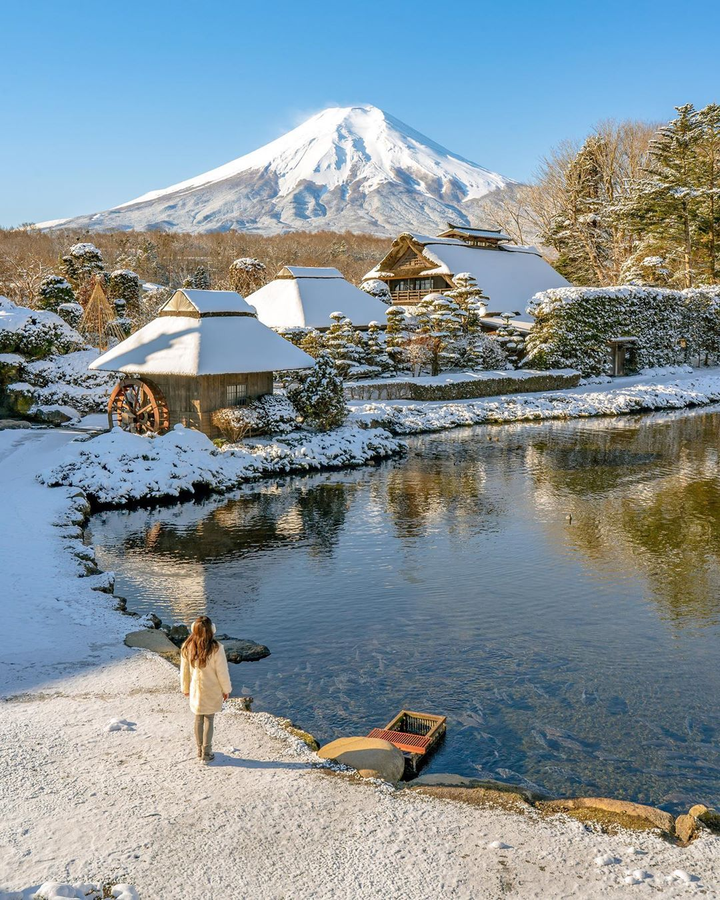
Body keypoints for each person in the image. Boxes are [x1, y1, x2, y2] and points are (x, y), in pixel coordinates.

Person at [180, 616, 231, 762]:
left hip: (196, 689)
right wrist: (225, 689)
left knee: (198, 718)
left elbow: (185, 671)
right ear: (211, 630)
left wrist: (185, 687)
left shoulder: (187, 646)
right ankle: (207, 752)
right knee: (209, 718)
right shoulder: (216, 648)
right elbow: (222, 672)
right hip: (212, 689)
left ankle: (199, 750)